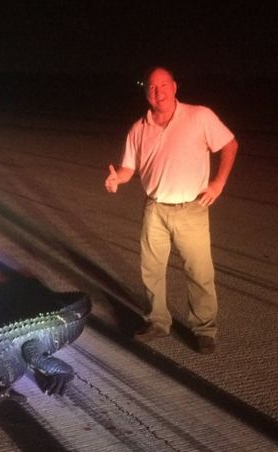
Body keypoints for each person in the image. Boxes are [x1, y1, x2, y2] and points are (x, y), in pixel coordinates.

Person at [105, 66, 238, 353]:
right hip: (155, 209)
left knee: (199, 271)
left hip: (191, 208)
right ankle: (157, 321)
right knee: (151, 270)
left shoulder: (199, 116)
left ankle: (205, 329)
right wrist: (118, 178)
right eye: (152, 87)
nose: (158, 92)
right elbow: (130, 167)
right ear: (146, 92)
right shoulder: (139, 128)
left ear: (175, 87)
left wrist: (218, 183)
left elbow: (229, 145)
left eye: (163, 85)